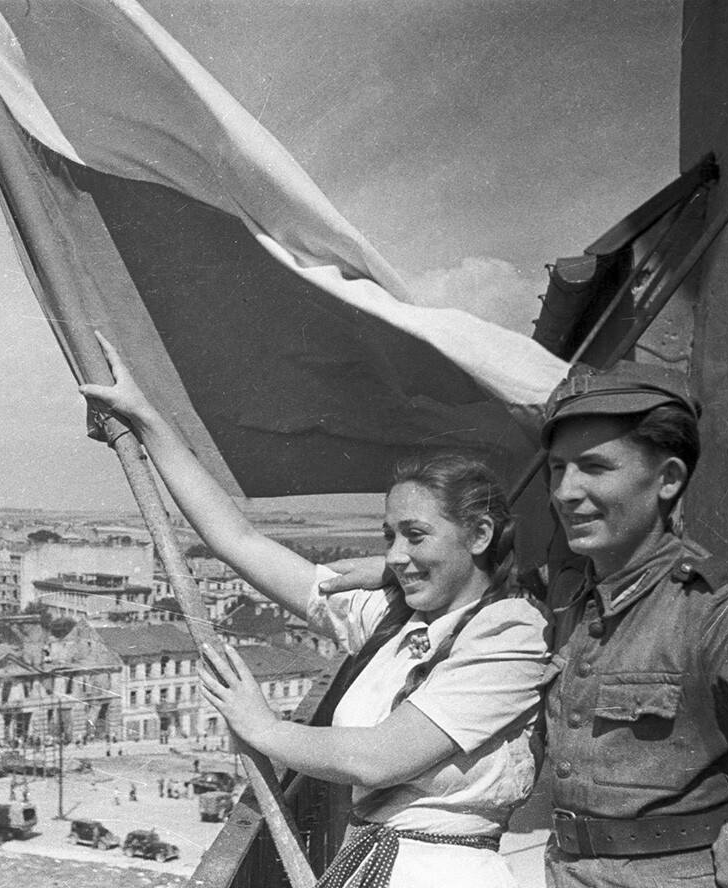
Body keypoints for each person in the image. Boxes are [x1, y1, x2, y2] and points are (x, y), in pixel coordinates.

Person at [80, 332, 552, 888]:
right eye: (388, 536)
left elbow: (379, 759)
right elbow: (238, 540)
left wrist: (264, 728)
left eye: (417, 536)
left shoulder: (513, 633)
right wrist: (145, 419)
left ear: (478, 534)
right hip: (364, 866)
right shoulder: (388, 619)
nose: (396, 555)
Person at [324, 361, 728, 887]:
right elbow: (481, 579)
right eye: (558, 469)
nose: (565, 491)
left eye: (594, 467)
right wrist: (393, 569)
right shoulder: (567, 595)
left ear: (669, 479)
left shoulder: (718, 613)